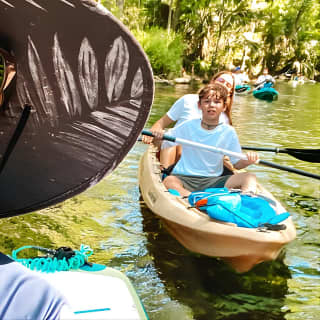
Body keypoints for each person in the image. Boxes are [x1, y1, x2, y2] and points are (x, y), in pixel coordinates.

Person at [160, 82, 259, 197]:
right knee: (169, 181)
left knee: (249, 177)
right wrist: (158, 137)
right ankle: (195, 199)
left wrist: (248, 160)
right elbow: (162, 145)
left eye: (217, 102)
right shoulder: (187, 126)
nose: (211, 105)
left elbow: (237, 165)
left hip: (213, 181)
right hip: (184, 178)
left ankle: (247, 200)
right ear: (199, 105)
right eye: (207, 101)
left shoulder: (228, 132)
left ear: (224, 107)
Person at [143, 71, 235, 168]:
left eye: (228, 85)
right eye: (221, 80)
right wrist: (152, 134)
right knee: (176, 144)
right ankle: (165, 175)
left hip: (200, 157)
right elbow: (161, 123)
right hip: (174, 148)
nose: (223, 85)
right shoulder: (188, 100)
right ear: (212, 81)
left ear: (230, 93)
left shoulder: (224, 119)